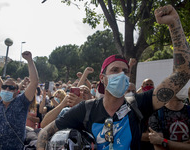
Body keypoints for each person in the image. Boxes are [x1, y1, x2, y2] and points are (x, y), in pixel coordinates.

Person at [37, 5, 190, 150]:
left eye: (125, 71)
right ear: (102, 77)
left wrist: (174, 23)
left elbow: (182, 74)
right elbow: (45, 132)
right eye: (115, 70)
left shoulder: (138, 104)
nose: (121, 74)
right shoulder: (86, 110)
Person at [0, 51, 39, 149]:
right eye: (4, 87)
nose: (7, 89)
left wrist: (29, 60)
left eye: (11, 88)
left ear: (17, 91)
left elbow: (34, 82)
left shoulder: (21, 102)